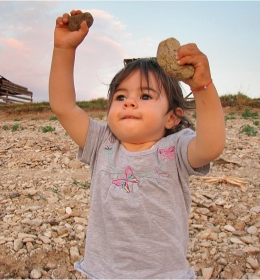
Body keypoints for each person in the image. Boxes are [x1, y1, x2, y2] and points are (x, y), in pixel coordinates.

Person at [49, 9, 226, 279]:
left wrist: (202, 88)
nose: (129, 102)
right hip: (105, 272)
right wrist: (63, 49)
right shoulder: (101, 142)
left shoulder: (176, 149)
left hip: (164, 274)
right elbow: (63, 106)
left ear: (171, 117)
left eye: (145, 95)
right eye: (120, 96)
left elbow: (211, 146)